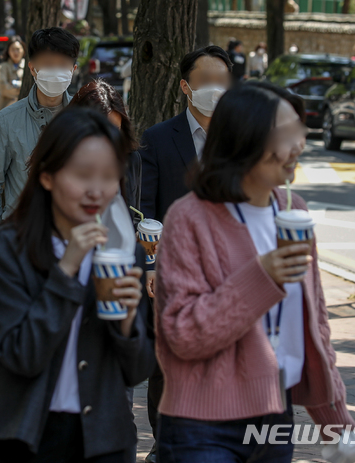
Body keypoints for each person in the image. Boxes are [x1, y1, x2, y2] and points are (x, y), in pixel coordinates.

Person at [154, 81, 355, 462]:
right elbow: (181, 332)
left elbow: (315, 328)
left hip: (274, 415)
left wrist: (338, 427)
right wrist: (261, 277)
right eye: (285, 134)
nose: (298, 146)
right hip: (201, 426)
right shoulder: (189, 218)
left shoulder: (293, 209)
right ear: (244, 140)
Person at [0, 107, 156, 462]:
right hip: (23, 436)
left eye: (108, 176)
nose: (96, 190)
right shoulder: (4, 251)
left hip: (103, 439)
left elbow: (137, 370)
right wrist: (68, 267)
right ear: (47, 176)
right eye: (82, 175)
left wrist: (126, 322)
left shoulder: (122, 252)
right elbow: (21, 355)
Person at [138, 44, 232, 463]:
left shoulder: (242, 139)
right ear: (185, 87)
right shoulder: (159, 139)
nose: (215, 90)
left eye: (222, 82)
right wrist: (151, 265)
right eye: (206, 81)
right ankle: (166, 440)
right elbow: (147, 212)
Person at [0, 26, 79, 224]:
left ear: (74, 70)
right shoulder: (5, 121)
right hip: (20, 237)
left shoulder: (85, 118)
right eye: (48, 64)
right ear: (32, 68)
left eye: (62, 65)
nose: (55, 72)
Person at [69, 80, 141, 222]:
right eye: (100, 131)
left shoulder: (131, 160)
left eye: (115, 130)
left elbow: (135, 215)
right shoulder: (62, 164)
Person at [0, 35, 25, 115]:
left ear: (23, 50)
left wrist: (15, 84)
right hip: (5, 107)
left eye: (18, 49)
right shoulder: (3, 67)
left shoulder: (29, 66)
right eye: (13, 49)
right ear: (8, 51)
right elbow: (3, 88)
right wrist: (21, 89)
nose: (15, 52)